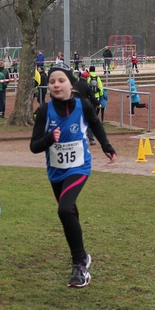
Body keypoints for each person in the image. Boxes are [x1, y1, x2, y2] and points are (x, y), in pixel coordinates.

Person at [29, 64, 116, 288]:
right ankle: (83, 255)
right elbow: (34, 146)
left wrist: (107, 146)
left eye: (61, 80)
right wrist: (50, 139)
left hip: (79, 167)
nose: (56, 85)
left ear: (71, 84)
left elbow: (95, 124)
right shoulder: (44, 111)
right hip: (56, 171)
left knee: (65, 209)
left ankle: (80, 265)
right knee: (70, 212)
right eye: (52, 81)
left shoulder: (83, 105)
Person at [74, 71, 99, 145]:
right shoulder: (87, 85)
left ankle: (77, 138)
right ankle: (91, 139)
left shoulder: (75, 84)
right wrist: (97, 103)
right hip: (85, 105)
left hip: (76, 105)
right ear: (86, 77)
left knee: (77, 122)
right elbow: (91, 96)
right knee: (89, 122)